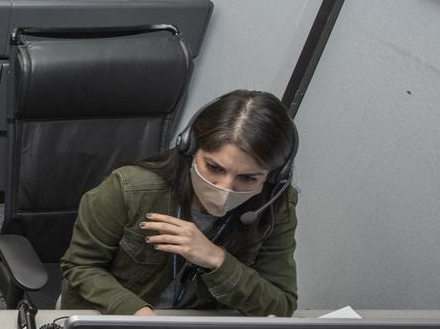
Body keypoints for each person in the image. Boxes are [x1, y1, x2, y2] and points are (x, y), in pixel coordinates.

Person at [60, 90, 299, 317]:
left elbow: (281, 306)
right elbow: (80, 266)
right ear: (190, 147)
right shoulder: (130, 188)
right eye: (214, 167)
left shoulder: (275, 208)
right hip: (116, 318)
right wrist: (134, 312)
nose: (225, 187)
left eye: (248, 178)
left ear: (273, 176)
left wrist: (217, 260)